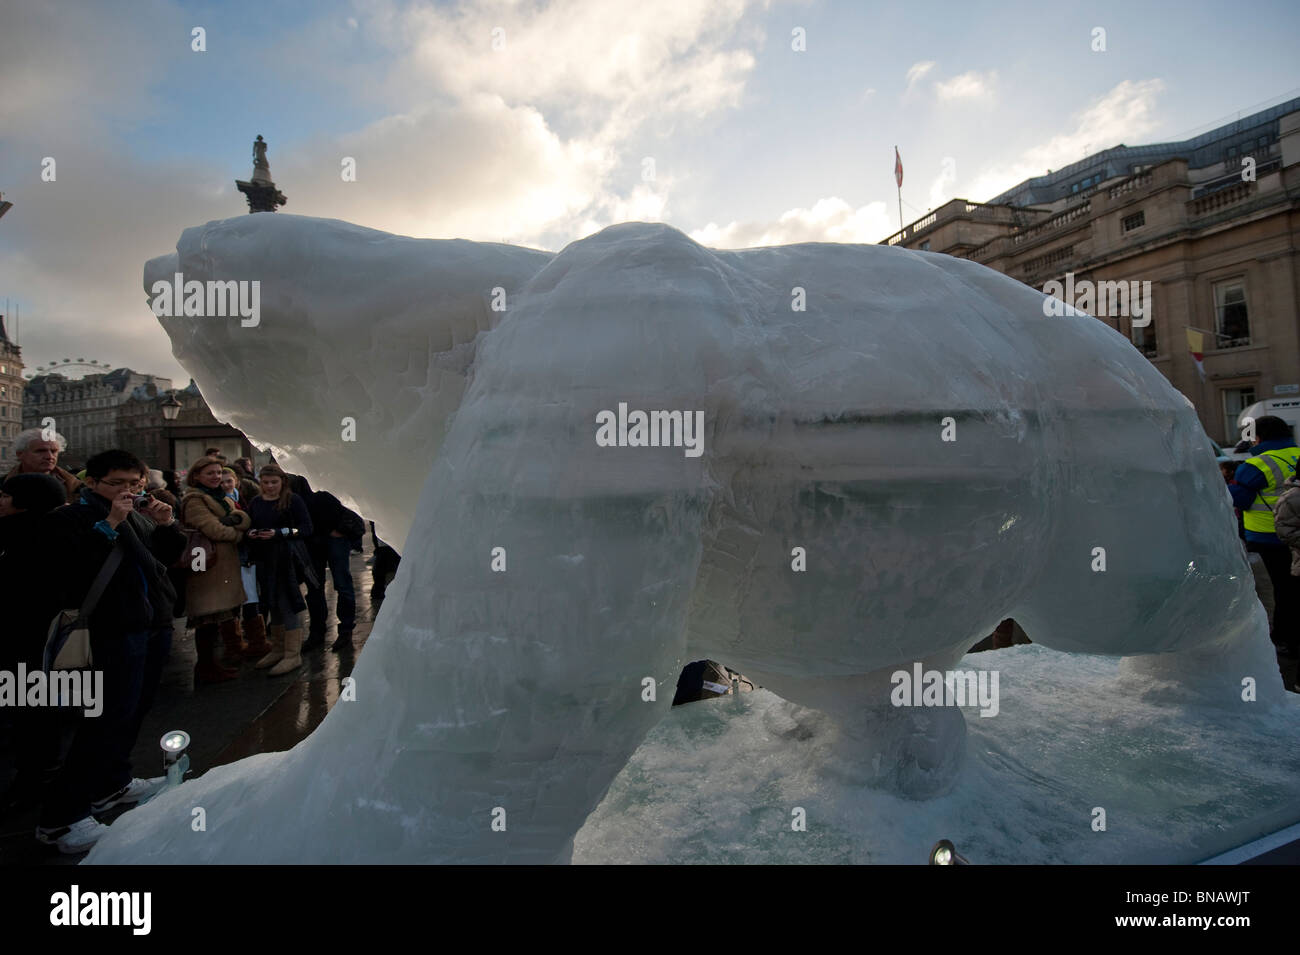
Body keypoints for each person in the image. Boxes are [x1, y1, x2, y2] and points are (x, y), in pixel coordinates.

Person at [33, 449, 184, 853]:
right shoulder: (67, 519)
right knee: (101, 723)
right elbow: (69, 572)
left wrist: (166, 524)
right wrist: (110, 523)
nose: (129, 491)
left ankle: (112, 784)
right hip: (107, 633)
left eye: (135, 484)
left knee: (131, 713)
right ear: (92, 482)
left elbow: (165, 560)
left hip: (149, 625)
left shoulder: (138, 515)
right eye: (118, 483)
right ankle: (61, 821)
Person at [0, 473, 71, 815]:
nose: (1, 500)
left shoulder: (18, 535)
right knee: (41, 713)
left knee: (30, 714)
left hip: (25, 641)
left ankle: (35, 787)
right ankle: (41, 776)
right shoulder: (62, 529)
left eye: (6, 496)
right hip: (50, 643)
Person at [1230, 415, 1300, 686]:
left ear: (1259, 437)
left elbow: (1240, 498)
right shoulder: (1297, 454)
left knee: (1278, 591)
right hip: (1296, 538)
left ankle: (1284, 641)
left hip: (1268, 539)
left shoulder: (1257, 463)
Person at [181, 456, 256, 681]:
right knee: (207, 619)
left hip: (223, 565)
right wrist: (237, 533)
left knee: (218, 618)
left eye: (218, 472)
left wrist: (236, 522)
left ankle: (213, 664)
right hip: (207, 566)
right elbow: (213, 529)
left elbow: (243, 517)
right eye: (210, 473)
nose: (216, 477)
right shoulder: (195, 499)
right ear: (197, 476)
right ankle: (205, 667)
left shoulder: (221, 497)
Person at [246, 464, 314, 675]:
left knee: (287, 603)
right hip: (265, 559)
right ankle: (278, 648)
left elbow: (305, 528)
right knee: (271, 603)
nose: (269, 486)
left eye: (274, 482)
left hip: (286, 558)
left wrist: (279, 533)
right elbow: (251, 523)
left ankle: (292, 654)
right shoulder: (256, 502)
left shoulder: (293, 500)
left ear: (282, 482)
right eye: (265, 482)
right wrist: (252, 533)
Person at [290, 474, 359, 653]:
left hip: (332, 536)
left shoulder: (320, 473)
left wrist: (341, 529)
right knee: (315, 587)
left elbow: (349, 498)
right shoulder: (295, 477)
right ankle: (317, 632)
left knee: (341, 583)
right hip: (312, 539)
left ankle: (344, 630)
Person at [5, 428, 82, 503]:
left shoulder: (77, 486)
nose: (50, 456)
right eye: (40, 451)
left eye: (54, 451)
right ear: (20, 454)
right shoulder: (3, 485)